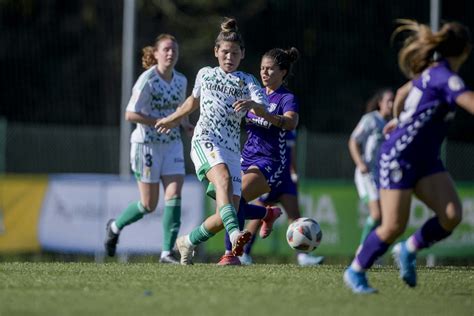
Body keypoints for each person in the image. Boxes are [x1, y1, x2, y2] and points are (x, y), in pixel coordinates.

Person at [344, 19, 474, 294]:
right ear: (465, 51)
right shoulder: (445, 77)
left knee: (451, 215)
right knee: (392, 226)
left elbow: (403, 93)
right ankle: (355, 271)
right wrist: (401, 123)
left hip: (425, 159)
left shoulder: (431, 73)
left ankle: (409, 249)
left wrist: (400, 118)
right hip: (399, 157)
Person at [155, 17, 270, 265]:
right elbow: (192, 102)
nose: (229, 57)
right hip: (206, 138)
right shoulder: (205, 75)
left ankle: (186, 242)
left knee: (224, 213)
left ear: (242, 55)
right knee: (223, 180)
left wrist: (253, 105)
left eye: (235, 53)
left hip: (231, 149)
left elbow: (265, 108)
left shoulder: (248, 80)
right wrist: (172, 118)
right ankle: (236, 233)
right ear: (216, 52)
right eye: (225, 52)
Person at [218, 47, 322, 266]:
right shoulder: (254, 91)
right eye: (262, 68)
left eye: (270, 69)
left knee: (236, 199)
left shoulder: (287, 98)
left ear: (283, 72)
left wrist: (263, 112)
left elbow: (291, 122)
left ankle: (232, 254)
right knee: (229, 203)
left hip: (271, 161)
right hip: (244, 158)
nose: (264, 73)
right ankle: (266, 215)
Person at [104, 34, 192, 264]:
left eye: (174, 50)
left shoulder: (181, 81)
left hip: (172, 145)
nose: (170, 53)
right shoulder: (147, 80)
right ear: (155, 54)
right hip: (146, 147)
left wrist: (185, 125)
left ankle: (166, 253)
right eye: (166, 49)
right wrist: (157, 122)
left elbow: (178, 110)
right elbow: (129, 114)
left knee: (174, 195)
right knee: (148, 205)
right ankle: (114, 227)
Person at [348, 89, 393, 253]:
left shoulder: (392, 123)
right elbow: (353, 140)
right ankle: (363, 250)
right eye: (388, 100)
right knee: (376, 214)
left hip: (382, 175)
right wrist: (360, 163)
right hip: (366, 175)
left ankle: (374, 252)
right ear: (380, 102)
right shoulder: (370, 120)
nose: (392, 104)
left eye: (393, 100)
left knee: (387, 218)